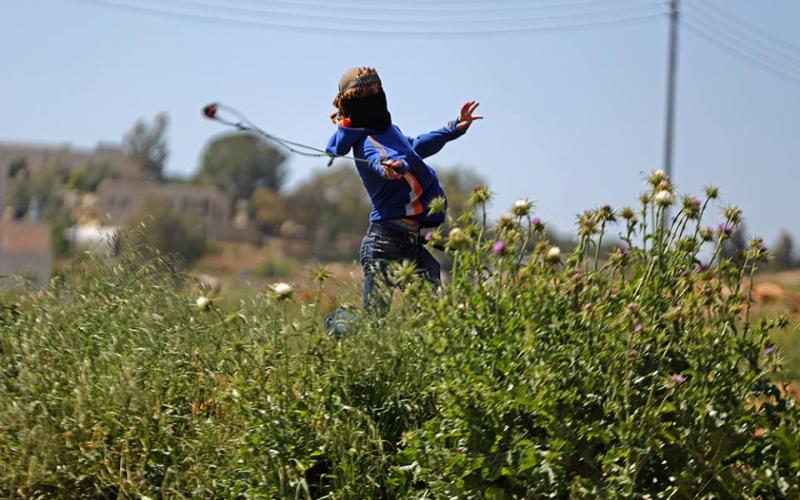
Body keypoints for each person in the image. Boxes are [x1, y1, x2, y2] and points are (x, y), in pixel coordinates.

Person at [324, 66, 482, 323]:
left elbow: (416, 146)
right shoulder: (366, 141)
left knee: (434, 316)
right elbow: (380, 160)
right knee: (373, 322)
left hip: (412, 242)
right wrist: (390, 169)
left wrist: (453, 128)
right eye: (366, 93)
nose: (374, 95)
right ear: (351, 102)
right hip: (385, 246)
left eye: (377, 89)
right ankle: (336, 325)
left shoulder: (390, 132)